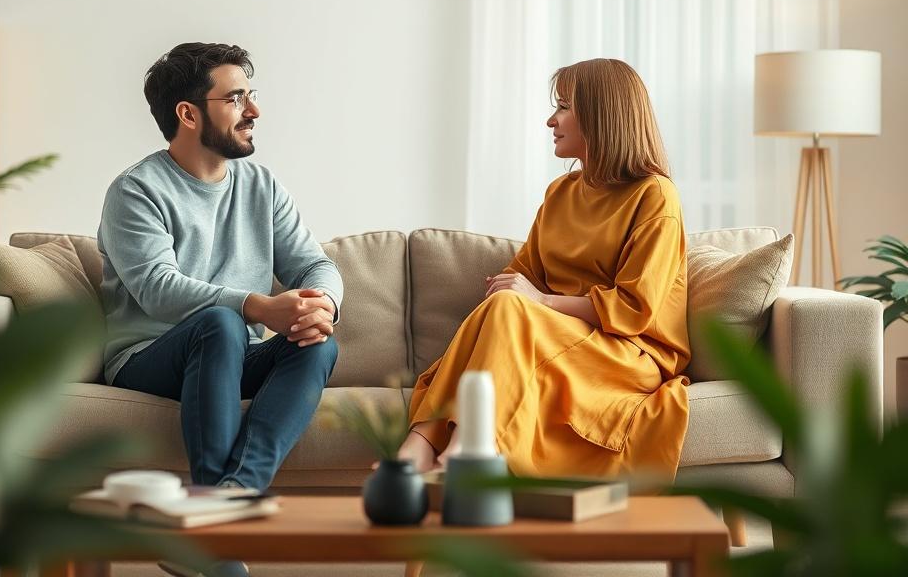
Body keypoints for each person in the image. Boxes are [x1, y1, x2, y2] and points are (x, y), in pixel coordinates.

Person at [399, 58, 690, 480]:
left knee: (511, 308)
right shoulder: (560, 193)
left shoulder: (655, 195)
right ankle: (434, 445)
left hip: (628, 353)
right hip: (560, 338)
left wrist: (539, 301)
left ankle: (452, 445)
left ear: (602, 115)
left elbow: (634, 309)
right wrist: (516, 293)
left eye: (564, 107)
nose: (551, 120)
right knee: (503, 306)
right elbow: (524, 275)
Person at [99, 42, 342, 499]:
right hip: (149, 359)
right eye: (235, 99)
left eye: (251, 95)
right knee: (221, 323)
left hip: (234, 354)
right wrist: (257, 307)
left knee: (317, 343)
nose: (254, 111)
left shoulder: (262, 186)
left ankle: (234, 492)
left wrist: (321, 303)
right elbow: (157, 288)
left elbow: (314, 264)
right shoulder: (135, 191)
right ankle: (215, 521)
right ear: (188, 114)